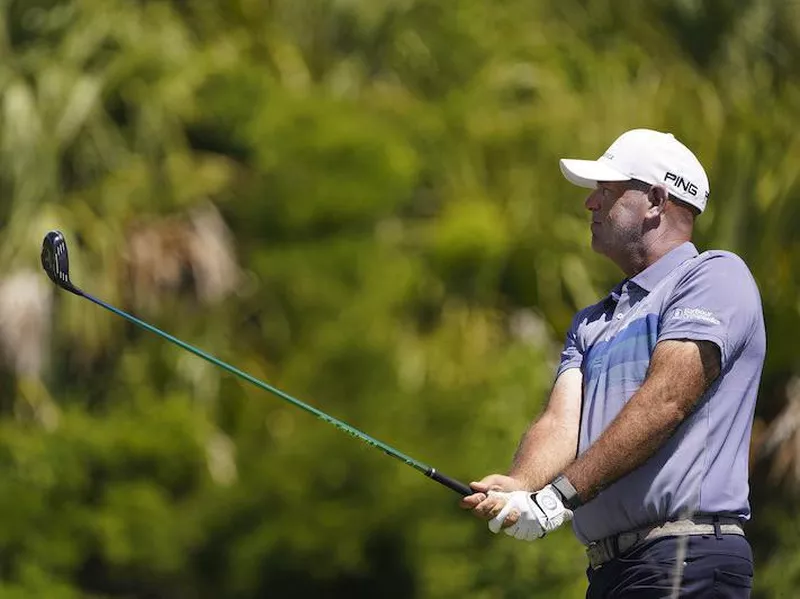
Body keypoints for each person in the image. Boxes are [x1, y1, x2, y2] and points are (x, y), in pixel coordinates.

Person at [460, 128, 766, 598]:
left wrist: (557, 496)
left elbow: (665, 402)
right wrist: (522, 486)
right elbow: (561, 423)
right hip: (610, 570)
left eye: (606, 191)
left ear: (656, 201)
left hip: (686, 555)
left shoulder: (714, 276)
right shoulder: (593, 320)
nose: (590, 204)